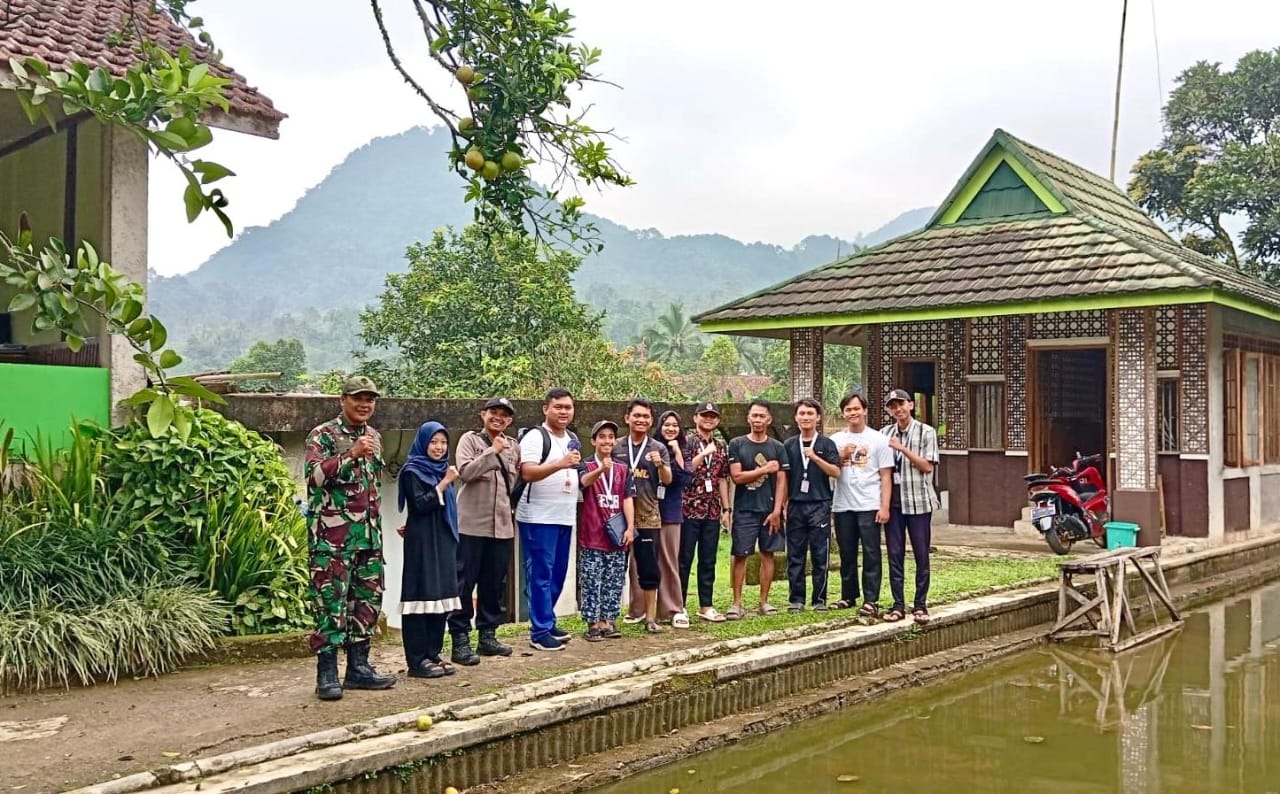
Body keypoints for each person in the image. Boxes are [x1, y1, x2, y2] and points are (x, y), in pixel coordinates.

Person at [303, 375, 396, 701]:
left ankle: (359, 669)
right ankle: (326, 675)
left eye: (370, 399)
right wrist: (351, 454)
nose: (364, 404)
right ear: (342, 400)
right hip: (333, 542)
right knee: (331, 606)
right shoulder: (323, 435)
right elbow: (313, 478)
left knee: (367, 605)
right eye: (358, 398)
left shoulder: (375, 436)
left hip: (368, 540)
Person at [449, 397, 520, 664]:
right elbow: (465, 473)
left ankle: (488, 636)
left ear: (509, 421)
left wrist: (501, 451)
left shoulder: (513, 446)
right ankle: (460, 639)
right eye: (493, 412)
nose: (498, 417)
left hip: (501, 526)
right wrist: (492, 452)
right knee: (463, 583)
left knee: (494, 584)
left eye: (504, 415)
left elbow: (514, 480)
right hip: (470, 524)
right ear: (483, 414)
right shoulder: (470, 440)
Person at [396, 421, 463, 678]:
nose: (439, 447)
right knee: (420, 596)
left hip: (443, 539)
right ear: (423, 443)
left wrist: (444, 479)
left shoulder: (441, 470)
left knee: (441, 596)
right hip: (422, 542)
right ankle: (416, 660)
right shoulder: (413, 470)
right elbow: (421, 505)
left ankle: (433, 653)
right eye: (433, 442)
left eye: (443, 442)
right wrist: (445, 483)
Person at [516, 388, 580, 651]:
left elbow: (575, 475)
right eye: (558, 407)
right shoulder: (535, 437)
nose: (564, 411)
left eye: (568, 407)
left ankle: (548, 619)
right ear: (546, 409)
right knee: (541, 573)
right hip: (538, 516)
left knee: (558, 573)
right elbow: (528, 472)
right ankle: (539, 631)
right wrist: (561, 463)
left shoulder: (572, 438)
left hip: (564, 515)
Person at [829, 392, 893, 616]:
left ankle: (871, 599)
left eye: (857, 408)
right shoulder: (835, 440)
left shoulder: (879, 440)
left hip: (869, 504)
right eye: (848, 409)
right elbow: (830, 470)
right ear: (843, 413)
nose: (853, 413)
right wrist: (840, 456)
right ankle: (848, 595)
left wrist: (884, 506)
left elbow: (886, 475)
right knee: (847, 552)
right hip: (843, 504)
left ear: (864, 410)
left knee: (871, 552)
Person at [881, 388, 941, 625]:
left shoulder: (926, 432)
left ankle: (920, 605)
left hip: (918, 502)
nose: (898, 410)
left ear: (911, 405)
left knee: (921, 554)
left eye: (901, 404)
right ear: (889, 410)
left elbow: (927, 467)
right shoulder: (884, 433)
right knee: (894, 554)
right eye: (893, 406)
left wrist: (902, 449)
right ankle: (898, 605)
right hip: (893, 504)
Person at [726, 400, 789, 620]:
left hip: (769, 509)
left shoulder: (777, 447)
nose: (758, 420)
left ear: (769, 419)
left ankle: (764, 601)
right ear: (748, 418)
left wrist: (777, 510)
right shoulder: (737, 444)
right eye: (754, 416)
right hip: (745, 509)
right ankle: (736, 603)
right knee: (740, 554)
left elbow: (781, 480)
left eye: (762, 416)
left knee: (768, 553)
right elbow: (737, 477)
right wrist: (764, 469)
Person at [616, 398, 673, 634]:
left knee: (649, 568)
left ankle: (650, 617)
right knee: (614, 567)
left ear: (651, 421)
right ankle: (607, 618)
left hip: (648, 515)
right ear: (627, 418)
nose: (641, 420)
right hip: (616, 517)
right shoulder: (616, 445)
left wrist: (661, 466)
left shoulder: (657, 448)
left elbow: (668, 480)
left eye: (646, 417)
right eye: (636, 415)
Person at [577, 420, 635, 641]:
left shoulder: (623, 469)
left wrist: (630, 527)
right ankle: (592, 622)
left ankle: (608, 621)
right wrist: (602, 468)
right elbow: (583, 482)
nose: (607, 441)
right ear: (593, 441)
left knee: (614, 579)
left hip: (616, 534)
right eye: (602, 437)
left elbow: (628, 498)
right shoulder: (585, 464)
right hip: (592, 533)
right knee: (592, 579)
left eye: (611, 437)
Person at [781, 398, 841, 612]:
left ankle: (819, 600)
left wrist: (815, 457)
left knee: (820, 553)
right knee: (795, 554)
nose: (806, 417)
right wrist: (782, 506)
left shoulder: (826, 444)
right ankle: (796, 600)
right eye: (802, 413)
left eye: (810, 414)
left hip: (819, 504)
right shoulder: (788, 445)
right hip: (796, 504)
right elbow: (784, 478)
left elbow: (835, 472)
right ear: (796, 418)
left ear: (818, 417)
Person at [678, 402, 731, 623]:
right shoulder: (687, 442)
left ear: (717, 421)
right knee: (684, 559)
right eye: (704, 415)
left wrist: (726, 509)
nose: (708, 419)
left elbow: (721, 478)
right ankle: (678, 605)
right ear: (695, 418)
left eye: (713, 416)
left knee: (708, 559)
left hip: (711, 510)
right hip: (688, 509)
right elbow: (684, 470)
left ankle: (706, 605)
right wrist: (703, 453)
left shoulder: (720, 446)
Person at [655, 410, 694, 627]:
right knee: (645, 561)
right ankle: (643, 609)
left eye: (675, 425)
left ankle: (673, 608)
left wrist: (677, 451)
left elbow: (685, 477)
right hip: (648, 509)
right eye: (666, 424)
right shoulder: (651, 447)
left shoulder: (683, 449)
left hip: (670, 510)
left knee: (670, 560)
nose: (670, 428)